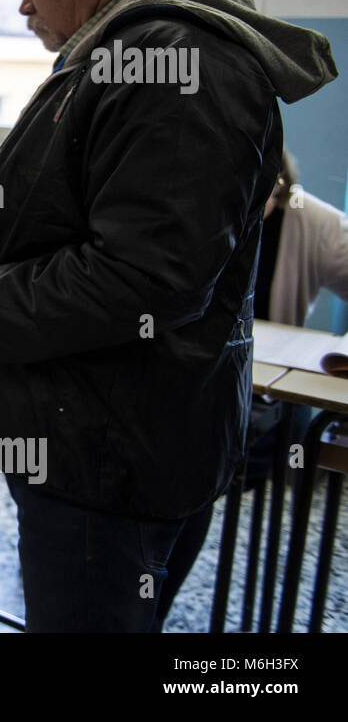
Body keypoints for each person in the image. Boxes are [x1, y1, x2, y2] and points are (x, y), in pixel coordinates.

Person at [0, 0, 337, 632]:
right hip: (110, 442)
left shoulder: (176, 61)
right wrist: (4, 245)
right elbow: (114, 222)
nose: (21, 3)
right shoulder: (132, 52)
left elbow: (144, 279)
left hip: (108, 462)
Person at [155, 148, 348, 622]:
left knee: (188, 467)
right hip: (172, 393)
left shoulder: (308, 220)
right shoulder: (170, 214)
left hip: (251, 403)